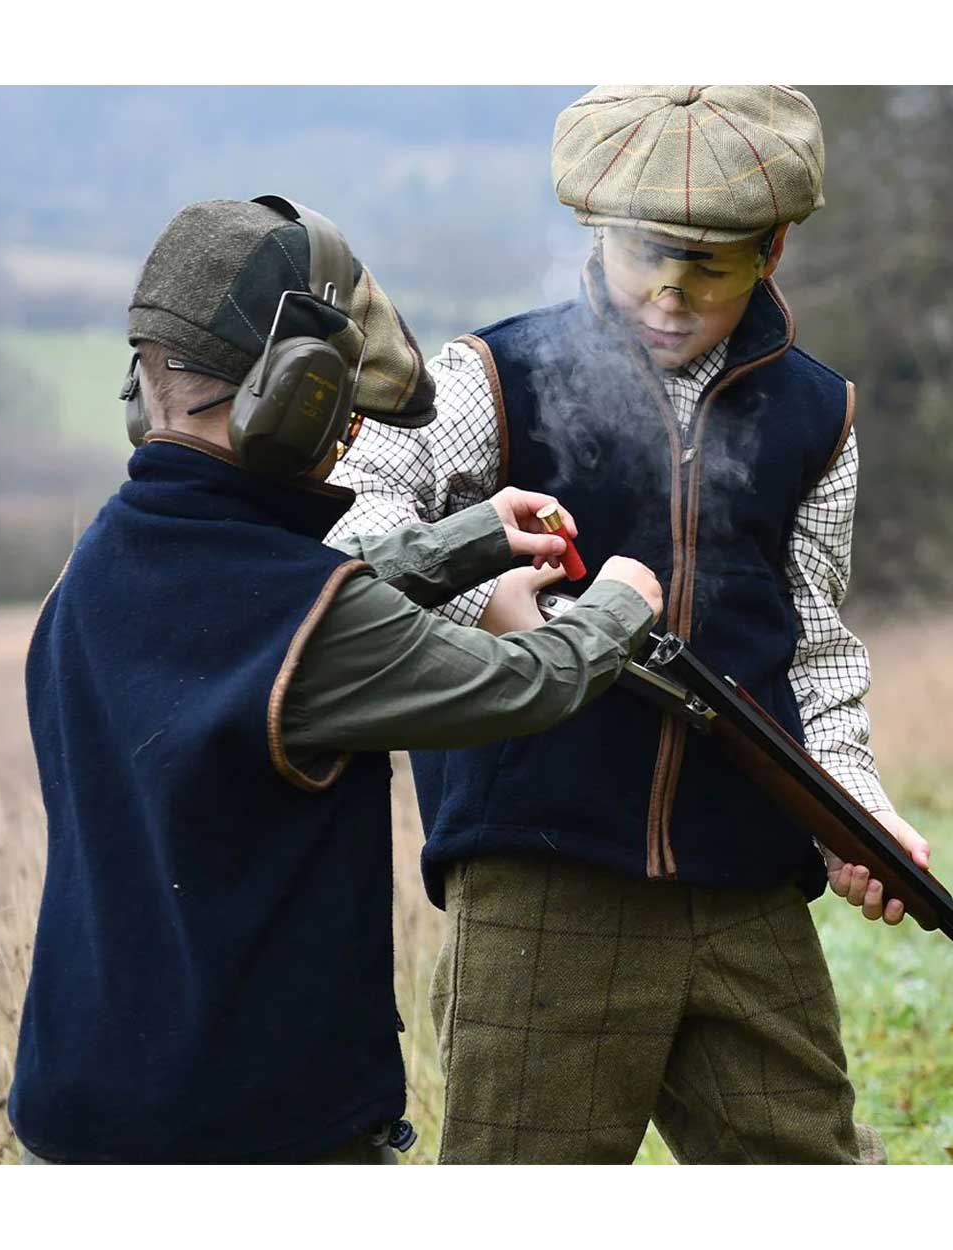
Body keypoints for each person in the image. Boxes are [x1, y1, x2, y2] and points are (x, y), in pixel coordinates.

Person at [327, 86, 931, 1164]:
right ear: (594, 229)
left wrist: (854, 807)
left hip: (746, 882)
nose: (665, 290)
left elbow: (816, 647)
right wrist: (486, 594)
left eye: (705, 261)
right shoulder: (490, 376)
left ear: (773, 248)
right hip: (540, 879)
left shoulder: (817, 415)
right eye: (641, 251)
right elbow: (346, 525)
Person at [8, 195, 662, 1165]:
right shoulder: (303, 617)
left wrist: (473, 539)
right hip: (258, 1142)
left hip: (75, 1126)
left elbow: (267, 626)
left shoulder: (98, 563)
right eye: (341, 402)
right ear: (299, 395)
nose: (348, 428)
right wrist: (622, 599)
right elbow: (527, 678)